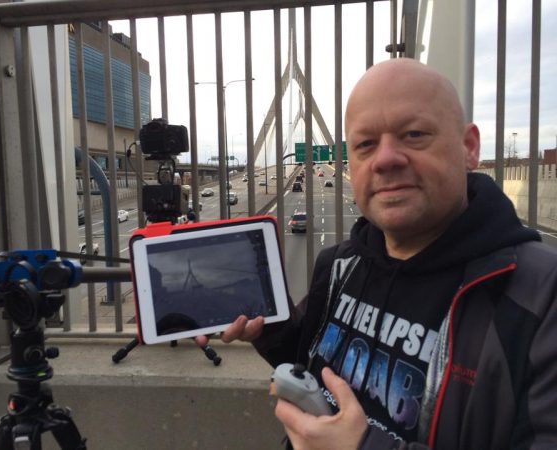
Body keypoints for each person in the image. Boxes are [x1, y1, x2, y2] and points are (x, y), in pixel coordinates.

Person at [197, 58, 557, 449]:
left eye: (414, 134)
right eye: (366, 144)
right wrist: (269, 327)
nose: (385, 159)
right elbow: (311, 365)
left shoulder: (541, 295)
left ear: (469, 148)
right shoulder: (338, 265)